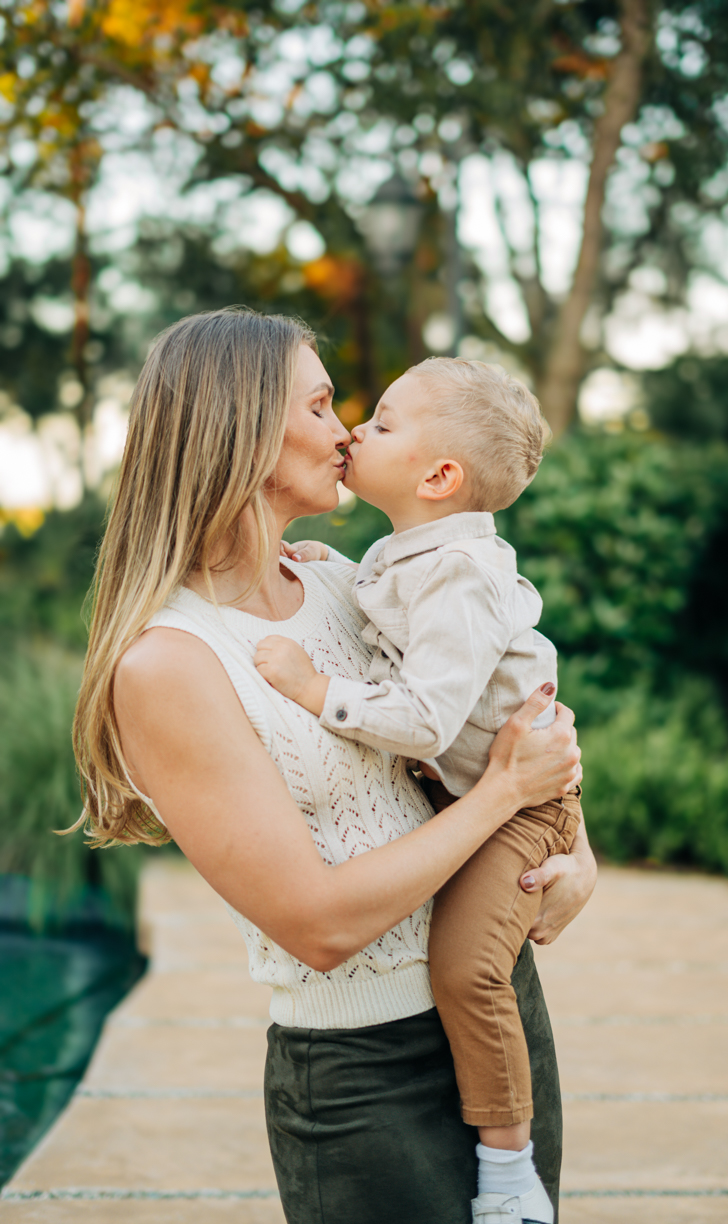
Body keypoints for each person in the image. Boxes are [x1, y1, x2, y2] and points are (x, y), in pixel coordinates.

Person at [72, 308, 596, 1224]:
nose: (347, 430)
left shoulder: (345, 584)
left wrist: (572, 851)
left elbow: (495, 720)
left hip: (497, 1009)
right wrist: (504, 797)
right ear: (240, 431)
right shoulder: (172, 663)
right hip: (362, 1074)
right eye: (321, 405)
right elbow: (317, 925)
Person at [254, 357, 580, 1224]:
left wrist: (317, 691)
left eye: (381, 423)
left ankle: (509, 1172)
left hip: (512, 803)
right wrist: (337, 566)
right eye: (329, 409)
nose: (355, 430)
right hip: (490, 793)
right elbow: (400, 616)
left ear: (440, 477)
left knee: (468, 970)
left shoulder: (464, 573)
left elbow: (430, 719)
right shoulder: (402, 557)